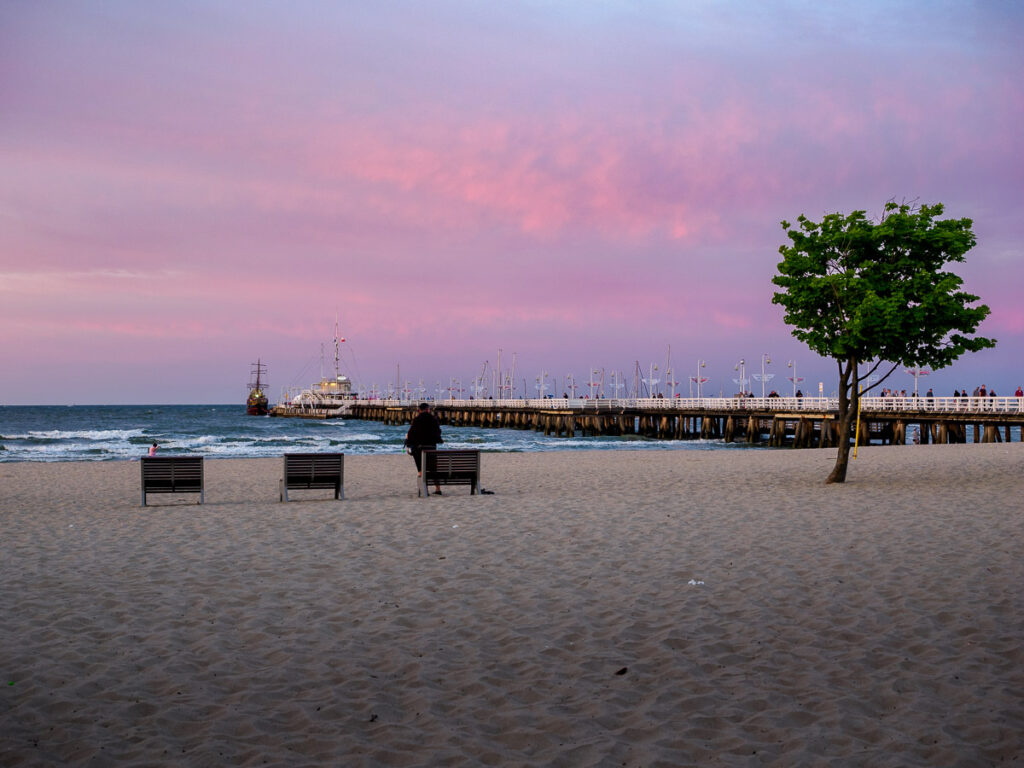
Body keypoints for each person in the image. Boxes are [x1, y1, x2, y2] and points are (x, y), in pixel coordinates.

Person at [405, 402, 443, 495]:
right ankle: (438, 489)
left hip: (419, 449)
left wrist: (408, 444)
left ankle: (424, 489)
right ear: (428, 410)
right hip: (431, 449)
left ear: (419, 410)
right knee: (433, 469)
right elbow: (438, 433)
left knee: (421, 469)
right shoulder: (434, 420)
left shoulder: (416, 420)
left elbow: (410, 435)